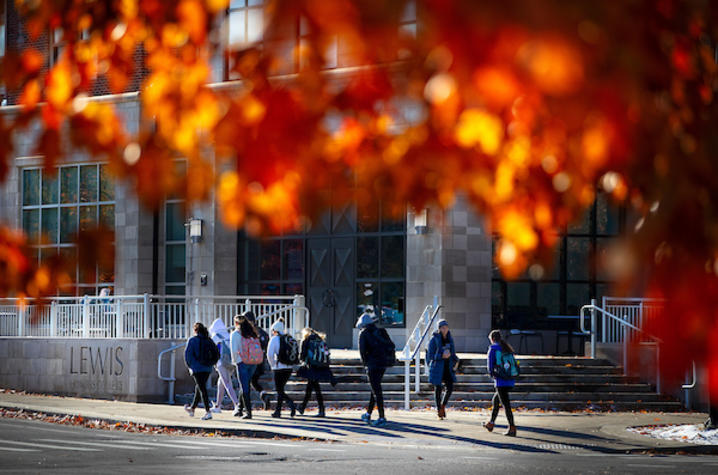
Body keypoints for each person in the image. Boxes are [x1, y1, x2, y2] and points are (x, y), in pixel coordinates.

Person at [357, 312, 395, 428]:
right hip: (383, 364)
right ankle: (368, 413)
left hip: (372, 365)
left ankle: (381, 417)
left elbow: (362, 352)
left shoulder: (363, 333)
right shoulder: (381, 331)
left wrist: (365, 364)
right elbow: (391, 345)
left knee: (377, 391)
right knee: (375, 389)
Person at [296, 327, 335, 417]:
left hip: (311, 367)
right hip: (320, 367)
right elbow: (326, 354)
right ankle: (303, 407)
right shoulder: (320, 340)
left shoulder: (306, 340)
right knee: (311, 387)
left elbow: (302, 356)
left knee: (315, 389)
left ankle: (320, 409)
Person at [230, 314, 264, 419]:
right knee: (245, 384)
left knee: (245, 387)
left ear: (236, 323)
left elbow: (234, 350)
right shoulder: (251, 333)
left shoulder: (235, 334)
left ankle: (248, 412)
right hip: (253, 362)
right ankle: (240, 409)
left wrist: (234, 362)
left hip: (242, 361)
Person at [485, 329, 517, 436]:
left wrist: (493, 376)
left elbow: (490, 368)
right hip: (510, 380)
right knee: (495, 401)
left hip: (501, 382)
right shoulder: (506, 347)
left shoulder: (493, 349)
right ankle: (491, 423)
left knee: (506, 405)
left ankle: (512, 428)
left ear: (492, 339)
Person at [183, 322, 218, 421]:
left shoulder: (192, 340)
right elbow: (216, 353)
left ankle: (208, 411)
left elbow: (188, 356)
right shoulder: (209, 340)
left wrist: (191, 366)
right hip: (207, 368)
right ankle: (192, 408)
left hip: (197, 368)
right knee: (199, 387)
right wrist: (212, 363)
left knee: (202, 389)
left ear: (195, 330)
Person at [426, 319, 458, 420]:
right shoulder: (434, 339)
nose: (445, 330)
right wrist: (441, 356)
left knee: (450, 387)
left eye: (446, 327)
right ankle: (439, 409)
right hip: (438, 367)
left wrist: (456, 360)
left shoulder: (450, 339)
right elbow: (430, 355)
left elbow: (452, 352)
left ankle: (443, 406)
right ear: (439, 329)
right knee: (438, 389)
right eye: (443, 328)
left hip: (448, 367)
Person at [208, 317, 241, 416]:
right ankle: (217, 405)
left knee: (227, 383)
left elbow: (211, 351)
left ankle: (237, 405)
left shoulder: (215, 336)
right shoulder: (229, 335)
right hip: (231, 362)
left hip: (221, 363)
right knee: (221, 383)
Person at [242, 311, 272, 411]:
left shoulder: (247, 333)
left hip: (249, 361)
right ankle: (263, 395)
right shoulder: (263, 333)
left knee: (246, 383)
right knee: (253, 381)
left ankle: (242, 406)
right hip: (260, 361)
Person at [267, 319, 296, 418]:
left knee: (279, 390)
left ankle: (290, 404)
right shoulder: (289, 338)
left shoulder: (274, 339)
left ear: (274, 330)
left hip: (279, 367)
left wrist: (273, 364)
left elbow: (270, 354)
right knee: (281, 389)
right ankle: (278, 410)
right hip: (289, 367)